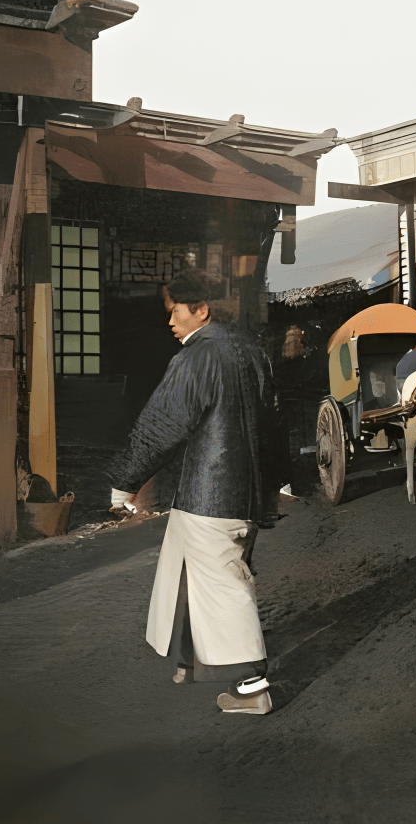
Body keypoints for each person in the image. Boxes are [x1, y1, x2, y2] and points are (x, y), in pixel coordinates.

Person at [109, 268, 276, 714]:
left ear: (200, 310)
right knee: (181, 569)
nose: (169, 321)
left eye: (175, 311)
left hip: (211, 491)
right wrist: (278, 484)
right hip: (243, 490)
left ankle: (252, 688)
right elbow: (272, 422)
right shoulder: (250, 351)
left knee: (224, 583)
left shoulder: (198, 357)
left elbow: (162, 423)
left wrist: (125, 480)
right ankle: (191, 661)